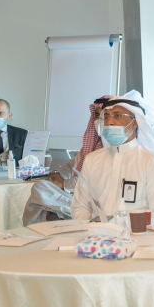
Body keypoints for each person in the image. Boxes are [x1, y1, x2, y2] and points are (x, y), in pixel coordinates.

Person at [71, 90, 154, 221]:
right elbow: (80, 207)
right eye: (106, 117)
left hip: (137, 233)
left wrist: (120, 227)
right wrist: (89, 228)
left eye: (117, 116)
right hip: (95, 233)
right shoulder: (92, 160)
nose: (110, 122)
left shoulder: (153, 161)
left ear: (134, 122)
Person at [23, 96, 113, 224]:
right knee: (41, 187)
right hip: (74, 191)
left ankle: (66, 212)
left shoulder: (114, 148)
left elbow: (92, 180)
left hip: (92, 197)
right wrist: (58, 175)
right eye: (97, 115)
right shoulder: (92, 144)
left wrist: (64, 184)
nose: (100, 120)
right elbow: (71, 165)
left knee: (42, 194)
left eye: (105, 116)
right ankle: (62, 213)